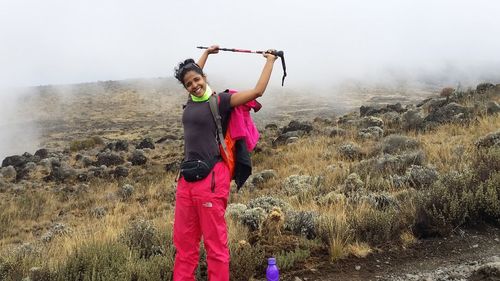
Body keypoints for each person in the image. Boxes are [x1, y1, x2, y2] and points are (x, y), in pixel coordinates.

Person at [172, 45, 277, 281]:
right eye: (188, 84)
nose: (194, 85)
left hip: (211, 179)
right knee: (184, 246)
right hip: (186, 181)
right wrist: (206, 54)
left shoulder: (221, 101)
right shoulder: (191, 101)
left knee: (215, 246)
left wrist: (270, 61)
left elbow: (258, 91)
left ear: (204, 78)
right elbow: (192, 73)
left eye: (197, 80)